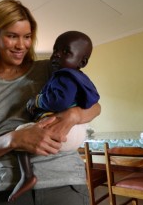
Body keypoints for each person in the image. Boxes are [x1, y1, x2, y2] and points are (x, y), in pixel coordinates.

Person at [0, 0, 101, 205]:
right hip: (5, 189)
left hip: (63, 182)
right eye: (12, 36)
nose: (21, 45)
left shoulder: (52, 68)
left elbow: (95, 107)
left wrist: (74, 115)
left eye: (27, 37)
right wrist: (14, 139)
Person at [9, 30, 100, 201]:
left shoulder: (63, 76)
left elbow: (59, 101)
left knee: (21, 132)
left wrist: (36, 101)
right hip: (76, 132)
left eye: (65, 52)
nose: (57, 54)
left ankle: (27, 176)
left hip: (64, 132)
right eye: (55, 50)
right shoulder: (81, 78)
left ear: (83, 61)